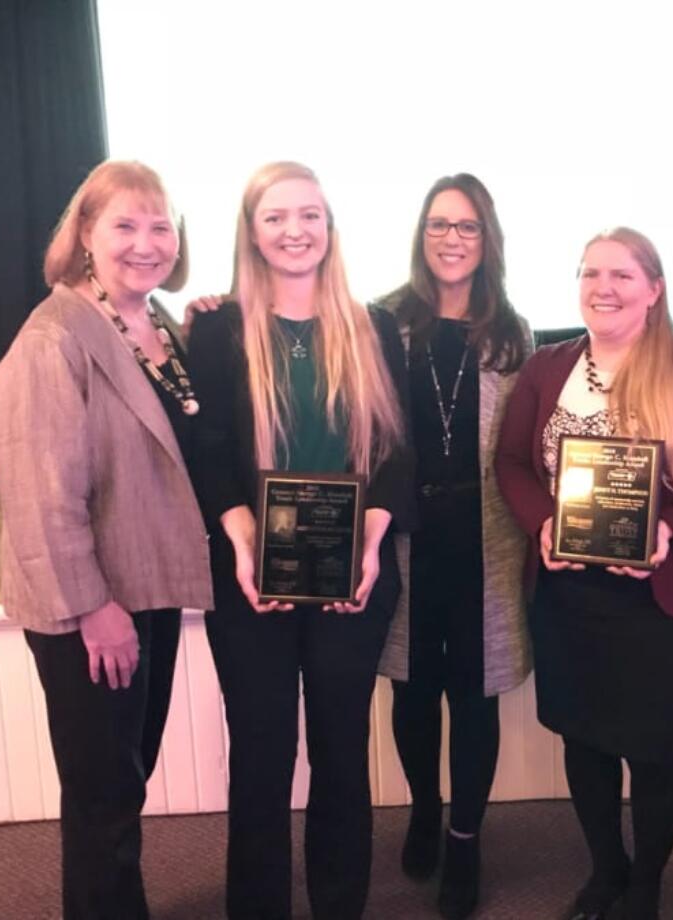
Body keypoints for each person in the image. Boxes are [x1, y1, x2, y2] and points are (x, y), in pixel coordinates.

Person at [495, 228, 673, 920]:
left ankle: (647, 883)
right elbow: (513, 466)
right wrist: (542, 524)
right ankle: (606, 870)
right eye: (590, 274)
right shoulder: (547, 366)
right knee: (583, 740)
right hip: (570, 591)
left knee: (652, 749)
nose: (602, 288)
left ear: (654, 288)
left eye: (620, 274)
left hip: (665, 598)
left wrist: (670, 528)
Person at [185, 161, 414, 920]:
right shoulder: (216, 328)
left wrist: (372, 547)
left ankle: (339, 906)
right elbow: (210, 450)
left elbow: (393, 453)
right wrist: (244, 541)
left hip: (353, 575)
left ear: (329, 227)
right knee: (261, 756)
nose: (295, 231)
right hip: (249, 577)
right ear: (251, 231)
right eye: (276, 217)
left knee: (342, 753)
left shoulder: (373, 325)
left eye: (310, 215)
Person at [0, 160, 212, 920]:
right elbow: (40, 498)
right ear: (85, 233)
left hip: (145, 588)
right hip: (92, 606)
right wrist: (92, 609)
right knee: (103, 793)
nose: (146, 243)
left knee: (124, 779)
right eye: (125, 225)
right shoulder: (53, 338)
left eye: (160, 226)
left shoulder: (160, 326)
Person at [371, 174, 533, 919]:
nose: (451, 238)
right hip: (404, 534)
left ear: (486, 239)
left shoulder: (513, 333)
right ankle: (425, 808)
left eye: (466, 226)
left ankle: (465, 838)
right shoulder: (384, 322)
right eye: (439, 224)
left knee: (475, 695)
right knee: (411, 688)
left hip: (484, 540)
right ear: (421, 234)